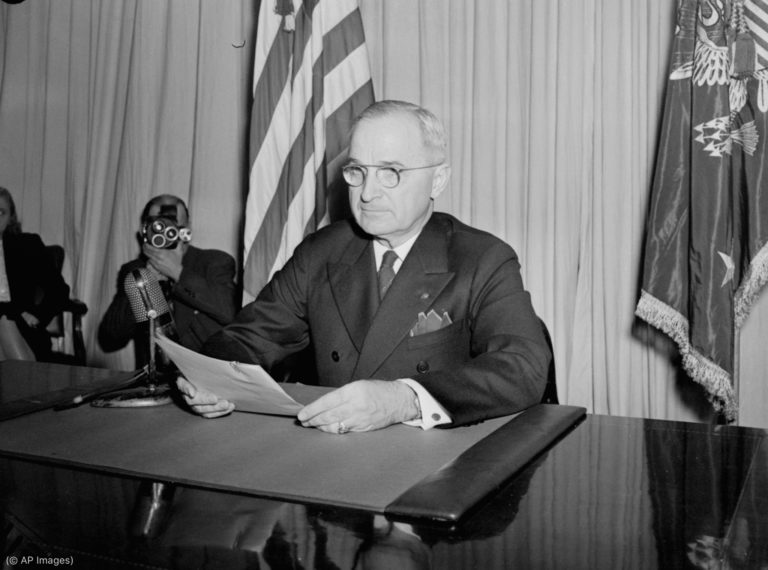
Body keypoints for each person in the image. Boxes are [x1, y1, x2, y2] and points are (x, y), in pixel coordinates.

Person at [179, 100, 551, 433]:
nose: (368, 193)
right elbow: (245, 338)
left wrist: (404, 399)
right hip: (333, 460)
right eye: (358, 171)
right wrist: (213, 377)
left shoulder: (483, 258)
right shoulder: (322, 252)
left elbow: (523, 368)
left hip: (437, 468)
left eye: (391, 172)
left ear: (438, 179)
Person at [98, 194, 238, 368]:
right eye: (157, 226)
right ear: (144, 230)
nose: (164, 233)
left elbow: (230, 313)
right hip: (158, 378)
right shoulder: (135, 269)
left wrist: (178, 272)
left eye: (173, 227)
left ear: (187, 229)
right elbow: (111, 338)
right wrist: (146, 285)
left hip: (206, 376)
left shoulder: (212, 263)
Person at [0, 186, 70, 361]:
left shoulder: (27, 245)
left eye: (1, 212)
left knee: (4, 319)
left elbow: (59, 290)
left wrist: (38, 317)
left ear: (10, 219)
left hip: (21, 327)